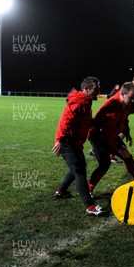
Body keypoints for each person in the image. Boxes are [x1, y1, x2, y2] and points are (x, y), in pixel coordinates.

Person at [52, 77, 106, 216]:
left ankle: (61, 191)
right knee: (80, 171)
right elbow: (66, 120)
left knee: (78, 167)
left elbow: (83, 120)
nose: (98, 91)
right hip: (67, 141)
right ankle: (90, 206)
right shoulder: (79, 100)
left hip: (74, 142)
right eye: (96, 89)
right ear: (86, 89)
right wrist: (61, 140)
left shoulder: (86, 101)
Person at [88, 82, 134, 196]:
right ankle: (88, 189)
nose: (132, 102)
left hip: (111, 134)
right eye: (131, 98)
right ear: (122, 94)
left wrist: (127, 132)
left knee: (128, 157)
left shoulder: (127, 104)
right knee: (105, 164)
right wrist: (118, 147)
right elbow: (103, 128)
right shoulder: (111, 104)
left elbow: (125, 119)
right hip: (98, 136)